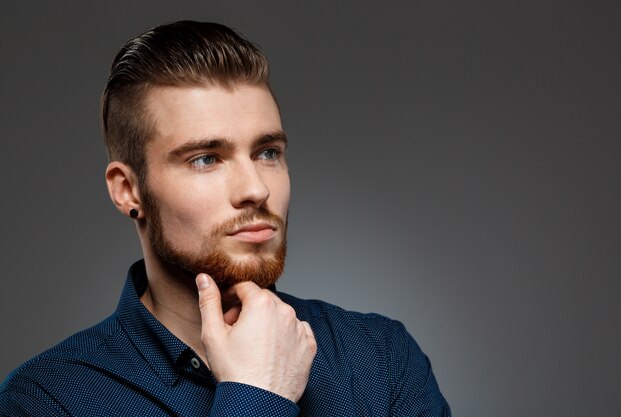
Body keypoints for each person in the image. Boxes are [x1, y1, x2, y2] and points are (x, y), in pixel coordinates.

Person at [0, 21, 451, 416]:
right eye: (205, 159)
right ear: (127, 189)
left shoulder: (380, 358)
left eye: (268, 152)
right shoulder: (45, 400)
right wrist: (256, 398)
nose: (256, 188)